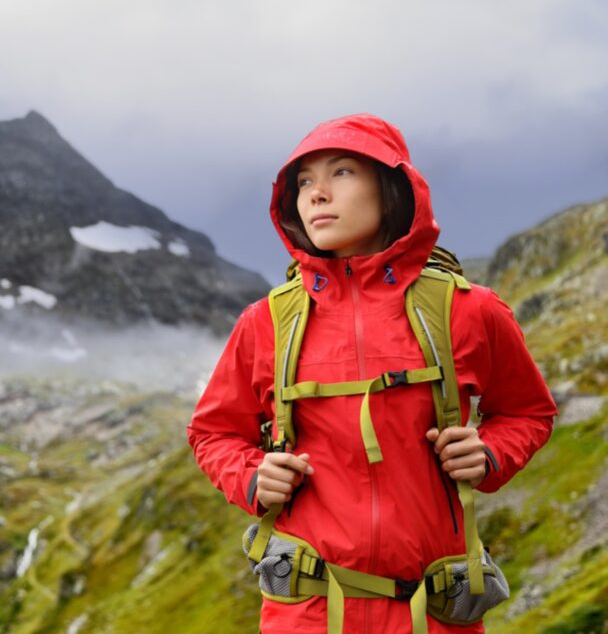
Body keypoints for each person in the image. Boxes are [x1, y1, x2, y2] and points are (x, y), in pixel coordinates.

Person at [187, 113, 556, 633]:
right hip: (308, 613)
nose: (317, 194)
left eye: (341, 173)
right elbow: (214, 432)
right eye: (304, 182)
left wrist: (490, 452)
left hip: (434, 614)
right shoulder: (266, 322)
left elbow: (528, 411)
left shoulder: (469, 311)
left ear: (391, 190)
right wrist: (251, 476)